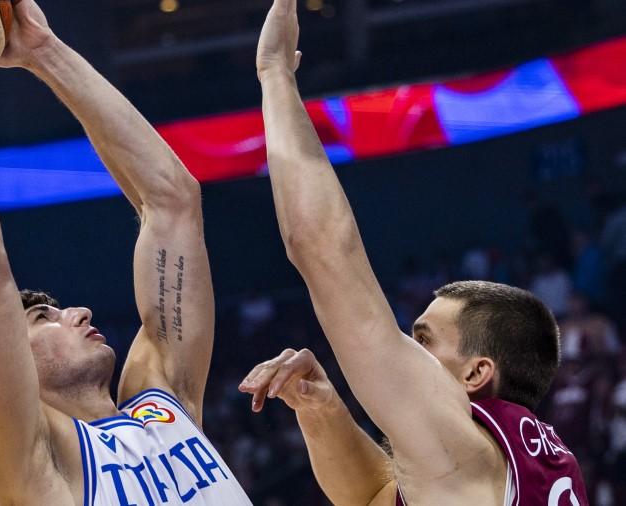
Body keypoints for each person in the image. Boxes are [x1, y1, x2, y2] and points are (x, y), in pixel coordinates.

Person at [0, 1, 252, 504]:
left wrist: (43, 51)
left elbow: (172, 201)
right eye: (44, 317)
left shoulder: (166, 402)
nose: (78, 312)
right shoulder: (30, 465)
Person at [238, 0, 589, 504]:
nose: (401, 349)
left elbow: (318, 249)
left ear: (474, 373)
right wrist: (324, 412)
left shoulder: (469, 452)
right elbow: (374, 496)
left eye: (423, 341)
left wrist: (274, 76)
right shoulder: (523, 460)